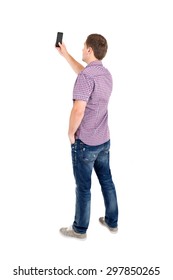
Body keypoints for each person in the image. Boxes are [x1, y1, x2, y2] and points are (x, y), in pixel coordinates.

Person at [56, 34, 118, 239]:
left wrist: (71, 133)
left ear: (90, 50)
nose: (82, 50)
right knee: (107, 180)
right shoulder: (105, 75)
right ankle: (112, 222)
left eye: (83, 47)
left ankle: (79, 229)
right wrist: (66, 55)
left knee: (83, 187)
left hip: (86, 144)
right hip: (104, 140)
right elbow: (84, 74)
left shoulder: (86, 78)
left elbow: (78, 110)